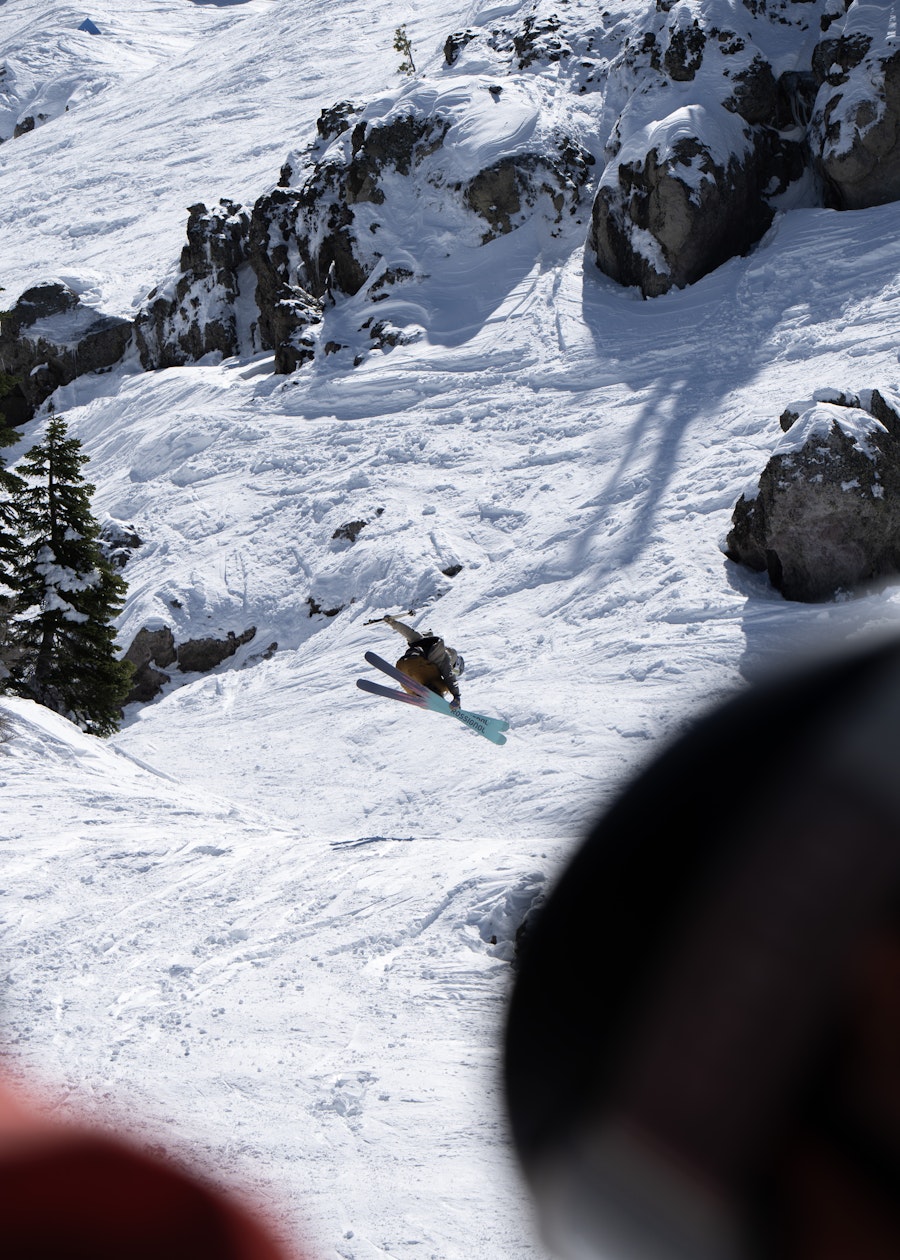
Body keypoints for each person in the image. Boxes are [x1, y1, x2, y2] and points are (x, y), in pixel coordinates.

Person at [382, 615, 464, 709]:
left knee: (436, 682)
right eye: (456, 671)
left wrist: (393, 622)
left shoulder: (423, 641)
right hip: (417, 666)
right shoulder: (444, 657)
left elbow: (408, 632)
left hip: (402, 665)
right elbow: (449, 676)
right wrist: (456, 696)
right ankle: (432, 696)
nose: (454, 672)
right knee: (445, 685)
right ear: (455, 663)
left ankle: (422, 695)